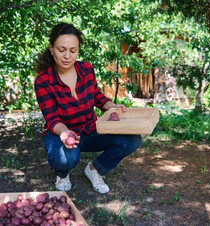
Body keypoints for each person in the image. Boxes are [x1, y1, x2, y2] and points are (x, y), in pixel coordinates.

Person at [34, 22, 142, 194]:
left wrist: (111, 107)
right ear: (51, 48)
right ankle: (62, 173)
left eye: (73, 50)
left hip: (90, 129)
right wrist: (65, 133)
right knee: (65, 158)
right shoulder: (43, 80)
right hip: (62, 133)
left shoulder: (86, 69)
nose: (67, 56)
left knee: (132, 139)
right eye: (61, 50)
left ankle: (95, 169)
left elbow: (96, 95)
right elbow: (52, 118)